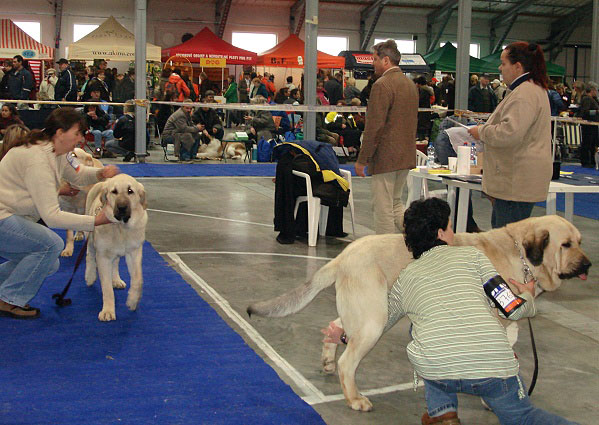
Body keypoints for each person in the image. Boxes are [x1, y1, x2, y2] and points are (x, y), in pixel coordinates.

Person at [322, 197, 578, 425]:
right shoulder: (476, 259)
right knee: (524, 418)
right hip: (493, 374)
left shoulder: (406, 278)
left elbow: (383, 320)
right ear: (443, 234)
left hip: (440, 372)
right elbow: (510, 309)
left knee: (421, 331)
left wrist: (345, 337)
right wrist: (528, 296)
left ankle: (443, 413)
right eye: (451, 226)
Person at [0, 108, 118, 319]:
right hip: (3, 218)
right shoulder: (37, 160)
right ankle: (9, 299)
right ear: (60, 132)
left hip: (12, 217)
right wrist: (95, 221)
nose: (81, 138)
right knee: (51, 245)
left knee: (49, 262)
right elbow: (52, 216)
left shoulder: (58, 153)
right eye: (77, 133)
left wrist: (100, 173)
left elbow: (78, 175)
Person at [469, 42, 552, 228]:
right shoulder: (529, 89)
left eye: (503, 63)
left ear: (517, 66)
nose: (500, 68)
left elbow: (509, 133)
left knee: (507, 244)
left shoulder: (524, 93)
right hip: (517, 179)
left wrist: (481, 132)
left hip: (516, 183)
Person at [355, 39, 418, 234]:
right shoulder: (410, 85)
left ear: (386, 61)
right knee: (395, 203)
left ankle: (385, 251)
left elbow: (374, 127)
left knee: (382, 208)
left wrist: (362, 159)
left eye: (374, 59)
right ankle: (415, 237)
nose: (372, 63)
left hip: (386, 157)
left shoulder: (382, 85)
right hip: (406, 155)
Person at [84, 86, 115, 159]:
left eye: (94, 107)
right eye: (90, 108)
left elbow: (106, 119)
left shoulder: (100, 112)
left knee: (110, 132)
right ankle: (97, 150)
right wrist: (87, 116)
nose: (92, 109)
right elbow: (81, 122)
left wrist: (97, 119)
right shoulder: (84, 113)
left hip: (101, 131)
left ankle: (108, 151)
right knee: (97, 132)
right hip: (89, 131)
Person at [576, 82, 599, 168]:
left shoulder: (592, 99)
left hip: (593, 125)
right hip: (588, 125)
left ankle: (591, 161)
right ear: (592, 90)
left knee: (592, 144)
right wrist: (596, 112)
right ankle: (585, 161)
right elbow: (585, 112)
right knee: (587, 143)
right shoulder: (587, 99)